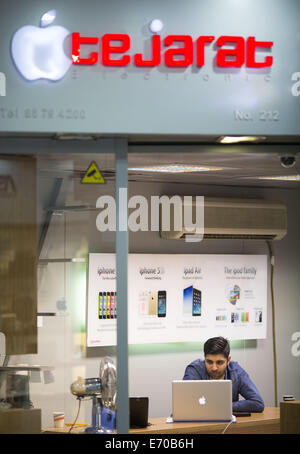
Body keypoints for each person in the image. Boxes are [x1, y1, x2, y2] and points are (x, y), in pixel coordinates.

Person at [183, 336, 264, 413]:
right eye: (209, 362)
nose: (214, 368)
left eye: (219, 362)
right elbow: (184, 405)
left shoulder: (236, 371)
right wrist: (223, 407)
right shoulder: (194, 370)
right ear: (204, 358)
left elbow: (257, 403)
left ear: (228, 360)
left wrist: (222, 406)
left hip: (227, 424)